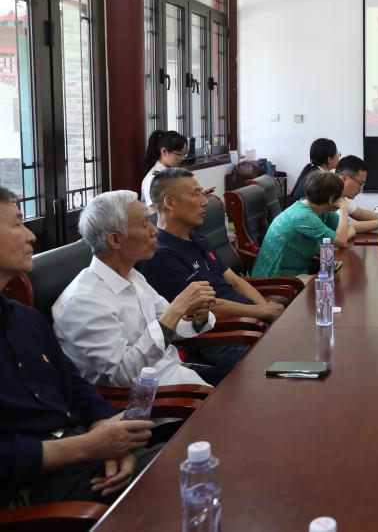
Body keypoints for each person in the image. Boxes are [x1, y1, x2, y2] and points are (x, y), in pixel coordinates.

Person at [0, 187, 158, 508]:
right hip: (34, 487)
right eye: (17, 224)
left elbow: (77, 388)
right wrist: (90, 446)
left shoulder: (25, 318)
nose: (31, 236)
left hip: (85, 450)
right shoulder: (80, 298)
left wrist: (111, 436)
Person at [53, 190, 217, 393]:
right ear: (115, 240)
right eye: (145, 224)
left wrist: (196, 316)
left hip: (177, 373)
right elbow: (122, 375)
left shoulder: (132, 275)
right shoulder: (82, 301)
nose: (154, 230)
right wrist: (176, 309)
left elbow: (172, 327)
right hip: (154, 399)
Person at [137, 169, 285, 385]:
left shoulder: (196, 236)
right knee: (285, 359)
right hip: (219, 337)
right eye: (195, 194)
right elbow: (206, 308)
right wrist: (261, 312)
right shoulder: (160, 256)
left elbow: (234, 280)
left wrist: (265, 310)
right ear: (169, 202)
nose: (204, 201)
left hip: (248, 320)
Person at [253, 170, 353, 277]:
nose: (342, 199)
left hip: (299, 272)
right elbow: (341, 241)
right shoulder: (304, 216)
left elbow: (348, 230)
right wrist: (344, 207)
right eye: (340, 196)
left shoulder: (321, 210)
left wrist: (343, 235)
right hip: (275, 277)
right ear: (331, 198)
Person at [336, 154, 378, 234]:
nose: (361, 189)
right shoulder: (328, 195)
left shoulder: (343, 196)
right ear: (344, 178)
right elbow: (345, 227)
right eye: (360, 183)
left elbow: (360, 214)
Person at [140, 129, 186, 210]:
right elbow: (154, 212)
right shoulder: (153, 179)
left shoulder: (172, 172)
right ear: (164, 151)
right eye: (179, 155)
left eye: (184, 155)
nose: (182, 159)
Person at [291, 138, 341, 202]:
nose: (339, 157)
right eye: (337, 154)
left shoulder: (312, 172)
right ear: (329, 159)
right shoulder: (321, 180)